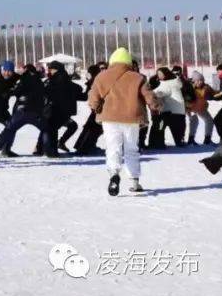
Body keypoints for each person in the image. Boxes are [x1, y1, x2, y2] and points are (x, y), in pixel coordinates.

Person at [87, 48, 160, 196]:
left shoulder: (102, 77)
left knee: (112, 147)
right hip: (132, 118)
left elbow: (93, 98)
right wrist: (156, 107)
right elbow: (149, 97)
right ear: (128, 61)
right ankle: (134, 180)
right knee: (131, 148)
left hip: (109, 118)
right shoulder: (138, 77)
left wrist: (95, 108)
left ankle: (114, 173)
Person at [0, 64, 45, 157]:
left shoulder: (24, 79)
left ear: (26, 70)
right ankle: (47, 150)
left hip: (22, 110)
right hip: (36, 113)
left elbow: (16, 90)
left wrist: (6, 93)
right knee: (46, 129)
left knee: (9, 129)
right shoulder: (39, 81)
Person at [36, 61, 84, 156]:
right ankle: (46, 148)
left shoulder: (56, 79)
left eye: (51, 69)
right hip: (65, 111)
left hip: (56, 109)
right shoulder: (64, 79)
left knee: (50, 129)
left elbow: (48, 92)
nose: (49, 71)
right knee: (51, 129)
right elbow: (77, 90)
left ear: (56, 69)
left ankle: (48, 150)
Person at [73, 64, 106, 155]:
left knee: (91, 127)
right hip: (99, 108)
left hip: (96, 107)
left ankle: (82, 146)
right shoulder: (97, 81)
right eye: (101, 68)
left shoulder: (94, 81)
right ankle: (85, 148)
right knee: (94, 128)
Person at [150, 67, 187, 148]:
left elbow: (159, 92)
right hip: (179, 112)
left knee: (160, 125)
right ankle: (179, 142)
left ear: (166, 74)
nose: (158, 75)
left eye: (160, 74)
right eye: (158, 73)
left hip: (171, 112)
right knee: (177, 132)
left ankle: (158, 143)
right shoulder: (175, 81)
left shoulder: (167, 83)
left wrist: (148, 93)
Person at [186, 71, 216, 145]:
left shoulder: (206, 87)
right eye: (198, 80)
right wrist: (188, 107)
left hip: (201, 108)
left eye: (201, 80)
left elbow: (215, 94)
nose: (200, 82)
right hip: (191, 108)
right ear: (194, 81)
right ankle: (191, 139)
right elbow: (185, 98)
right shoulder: (189, 87)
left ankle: (207, 139)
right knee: (194, 120)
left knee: (209, 120)